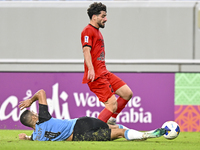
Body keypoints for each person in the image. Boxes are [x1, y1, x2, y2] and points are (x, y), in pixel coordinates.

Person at [18, 89, 166, 141]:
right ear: (33, 118)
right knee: (114, 126)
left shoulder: (38, 137)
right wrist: (31, 101)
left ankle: (141, 135)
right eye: (33, 112)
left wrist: (26, 137)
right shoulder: (43, 119)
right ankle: (143, 134)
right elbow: (41, 92)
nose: (36, 112)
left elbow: (34, 136)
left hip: (80, 138)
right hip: (82, 124)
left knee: (117, 132)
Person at [81, 2, 133, 125]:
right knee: (112, 104)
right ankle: (94, 132)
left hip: (104, 73)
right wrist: (91, 69)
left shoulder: (97, 31)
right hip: (96, 76)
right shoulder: (88, 30)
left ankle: (111, 119)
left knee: (127, 93)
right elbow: (86, 50)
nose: (106, 19)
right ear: (94, 17)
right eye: (103, 16)